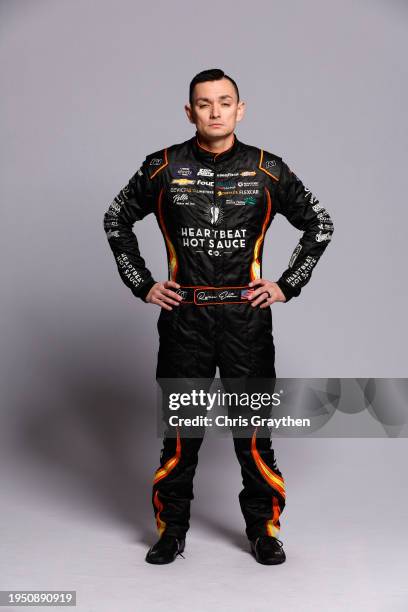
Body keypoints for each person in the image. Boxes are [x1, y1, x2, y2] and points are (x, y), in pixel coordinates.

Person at [103, 68, 334, 565]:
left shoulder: (267, 169)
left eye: (224, 102)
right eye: (204, 104)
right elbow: (116, 219)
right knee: (181, 434)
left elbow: (321, 224)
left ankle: (264, 530)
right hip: (183, 319)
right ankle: (171, 530)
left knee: (253, 435)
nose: (214, 111)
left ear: (240, 109)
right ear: (189, 112)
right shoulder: (162, 166)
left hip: (244, 321)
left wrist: (286, 284)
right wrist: (142, 284)